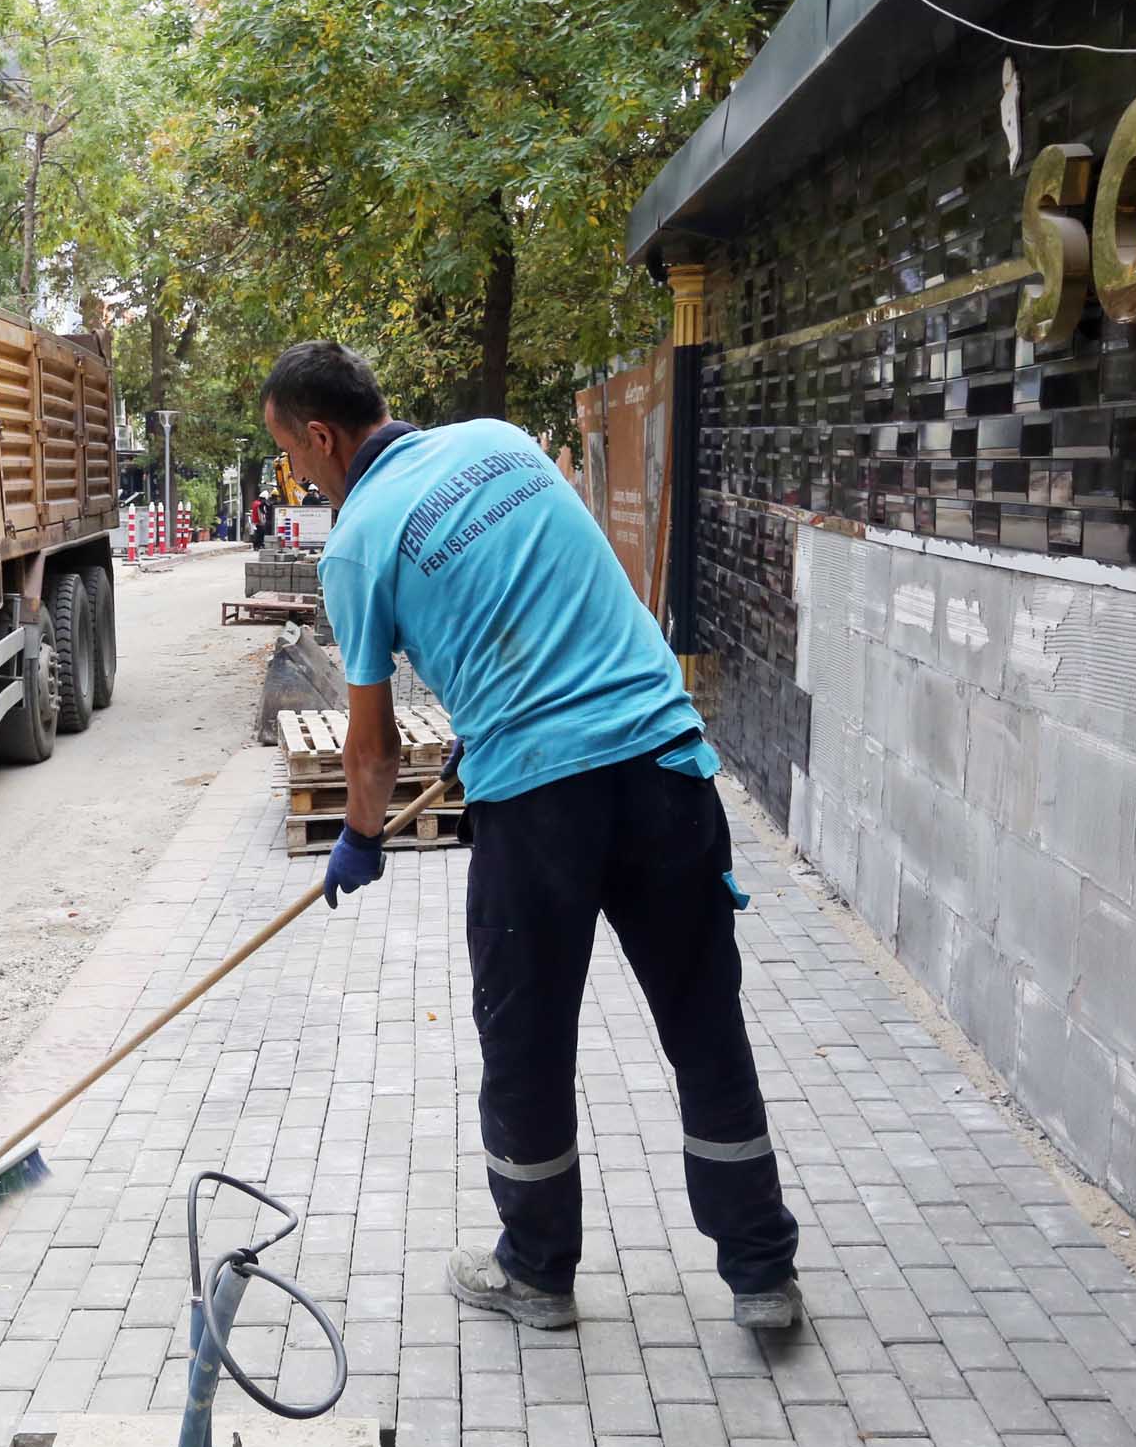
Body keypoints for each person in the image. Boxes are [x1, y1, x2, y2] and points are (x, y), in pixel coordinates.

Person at [261, 341, 801, 1332]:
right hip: (665, 765)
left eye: (294, 455)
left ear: (325, 437)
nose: (300, 474)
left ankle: (538, 1271)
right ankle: (763, 1272)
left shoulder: (359, 542)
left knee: (528, 1044)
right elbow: (546, 597)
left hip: (539, 807)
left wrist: (363, 837)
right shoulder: (504, 446)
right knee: (704, 1024)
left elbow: (371, 744)